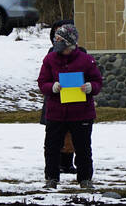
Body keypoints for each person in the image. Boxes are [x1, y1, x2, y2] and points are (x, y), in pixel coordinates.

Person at [36, 20, 101, 189]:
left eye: (59, 39)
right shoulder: (49, 59)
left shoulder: (86, 60)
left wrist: (90, 87)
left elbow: (97, 82)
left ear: (69, 42)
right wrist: (52, 87)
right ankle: (51, 178)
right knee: (51, 147)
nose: (56, 42)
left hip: (82, 113)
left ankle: (85, 179)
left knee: (83, 147)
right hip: (56, 113)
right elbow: (42, 82)